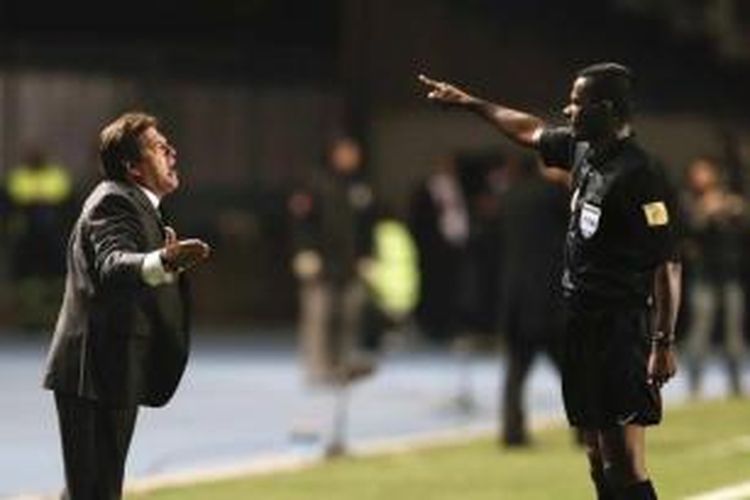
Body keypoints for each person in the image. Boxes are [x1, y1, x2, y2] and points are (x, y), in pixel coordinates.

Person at [419, 63, 681, 500]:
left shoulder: (640, 174)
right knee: (596, 455)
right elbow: (530, 130)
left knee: (626, 462)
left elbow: (667, 264)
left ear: (608, 109)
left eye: (578, 102)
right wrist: (470, 103)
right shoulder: (583, 153)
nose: (568, 109)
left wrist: (663, 343)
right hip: (578, 323)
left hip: (620, 327)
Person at [42, 112, 211, 499]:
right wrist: (164, 261)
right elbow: (114, 265)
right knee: (95, 492)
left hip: (112, 368)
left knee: (93, 490)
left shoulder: (142, 205)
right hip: (92, 371)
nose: (171, 151)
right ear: (133, 168)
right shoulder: (114, 200)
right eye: (157, 147)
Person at [496, 154, 569, 447]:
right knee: (571, 371)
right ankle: (585, 429)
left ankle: (512, 432)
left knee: (515, 373)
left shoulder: (509, 197)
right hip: (550, 298)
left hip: (517, 298)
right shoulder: (555, 194)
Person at [681, 156, 748, 397]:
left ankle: (736, 385)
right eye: (697, 173)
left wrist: (733, 208)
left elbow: (742, 226)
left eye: (705, 172)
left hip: (729, 274)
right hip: (703, 275)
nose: (701, 177)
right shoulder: (688, 201)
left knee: (734, 334)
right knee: (700, 330)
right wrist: (704, 212)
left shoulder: (728, 198)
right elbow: (685, 233)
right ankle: (694, 386)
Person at [4, 147, 74, 329]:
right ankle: (25, 307)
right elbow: (10, 206)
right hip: (26, 237)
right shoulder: (17, 178)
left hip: (52, 236)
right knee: (24, 274)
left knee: (57, 269)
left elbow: (66, 206)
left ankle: (56, 306)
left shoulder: (57, 176)